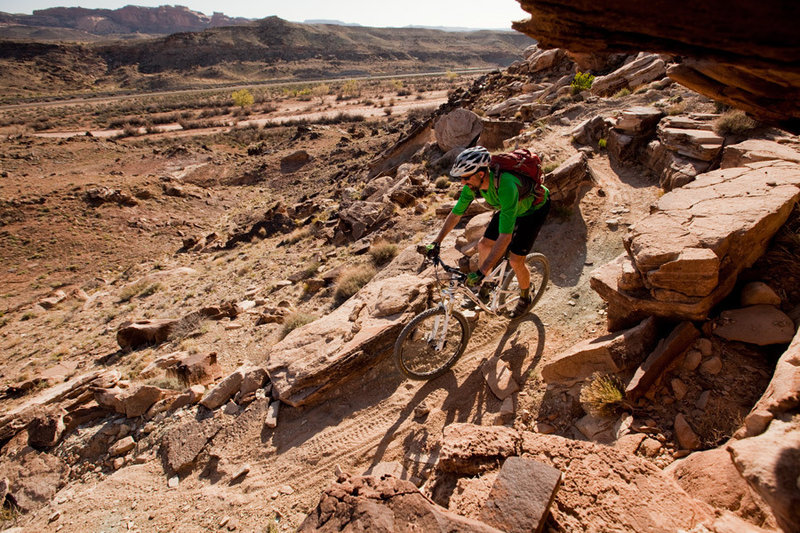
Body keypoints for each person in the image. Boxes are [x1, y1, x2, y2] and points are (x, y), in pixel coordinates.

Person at [426, 146, 550, 318]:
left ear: (481, 174)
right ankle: (486, 287)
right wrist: (437, 241)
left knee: (515, 260)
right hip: (509, 208)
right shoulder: (472, 186)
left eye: (465, 178)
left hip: (533, 211)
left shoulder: (506, 185)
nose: (463, 183)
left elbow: (505, 237)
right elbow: (456, 213)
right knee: (483, 245)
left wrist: (481, 270)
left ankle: (525, 296)